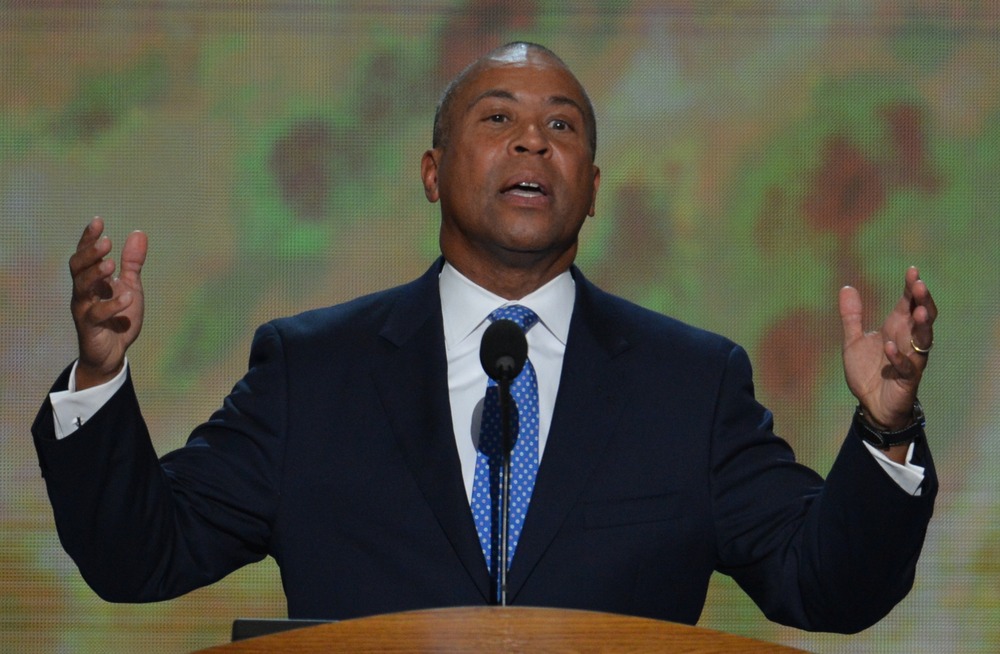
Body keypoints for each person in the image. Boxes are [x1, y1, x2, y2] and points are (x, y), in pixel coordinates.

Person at [33, 42, 937, 633]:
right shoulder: (311, 370)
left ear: (592, 188)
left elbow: (828, 587)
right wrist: (100, 379)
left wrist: (887, 431)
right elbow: (139, 556)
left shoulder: (690, 383)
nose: (532, 143)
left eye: (561, 128)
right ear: (433, 173)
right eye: (497, 119)